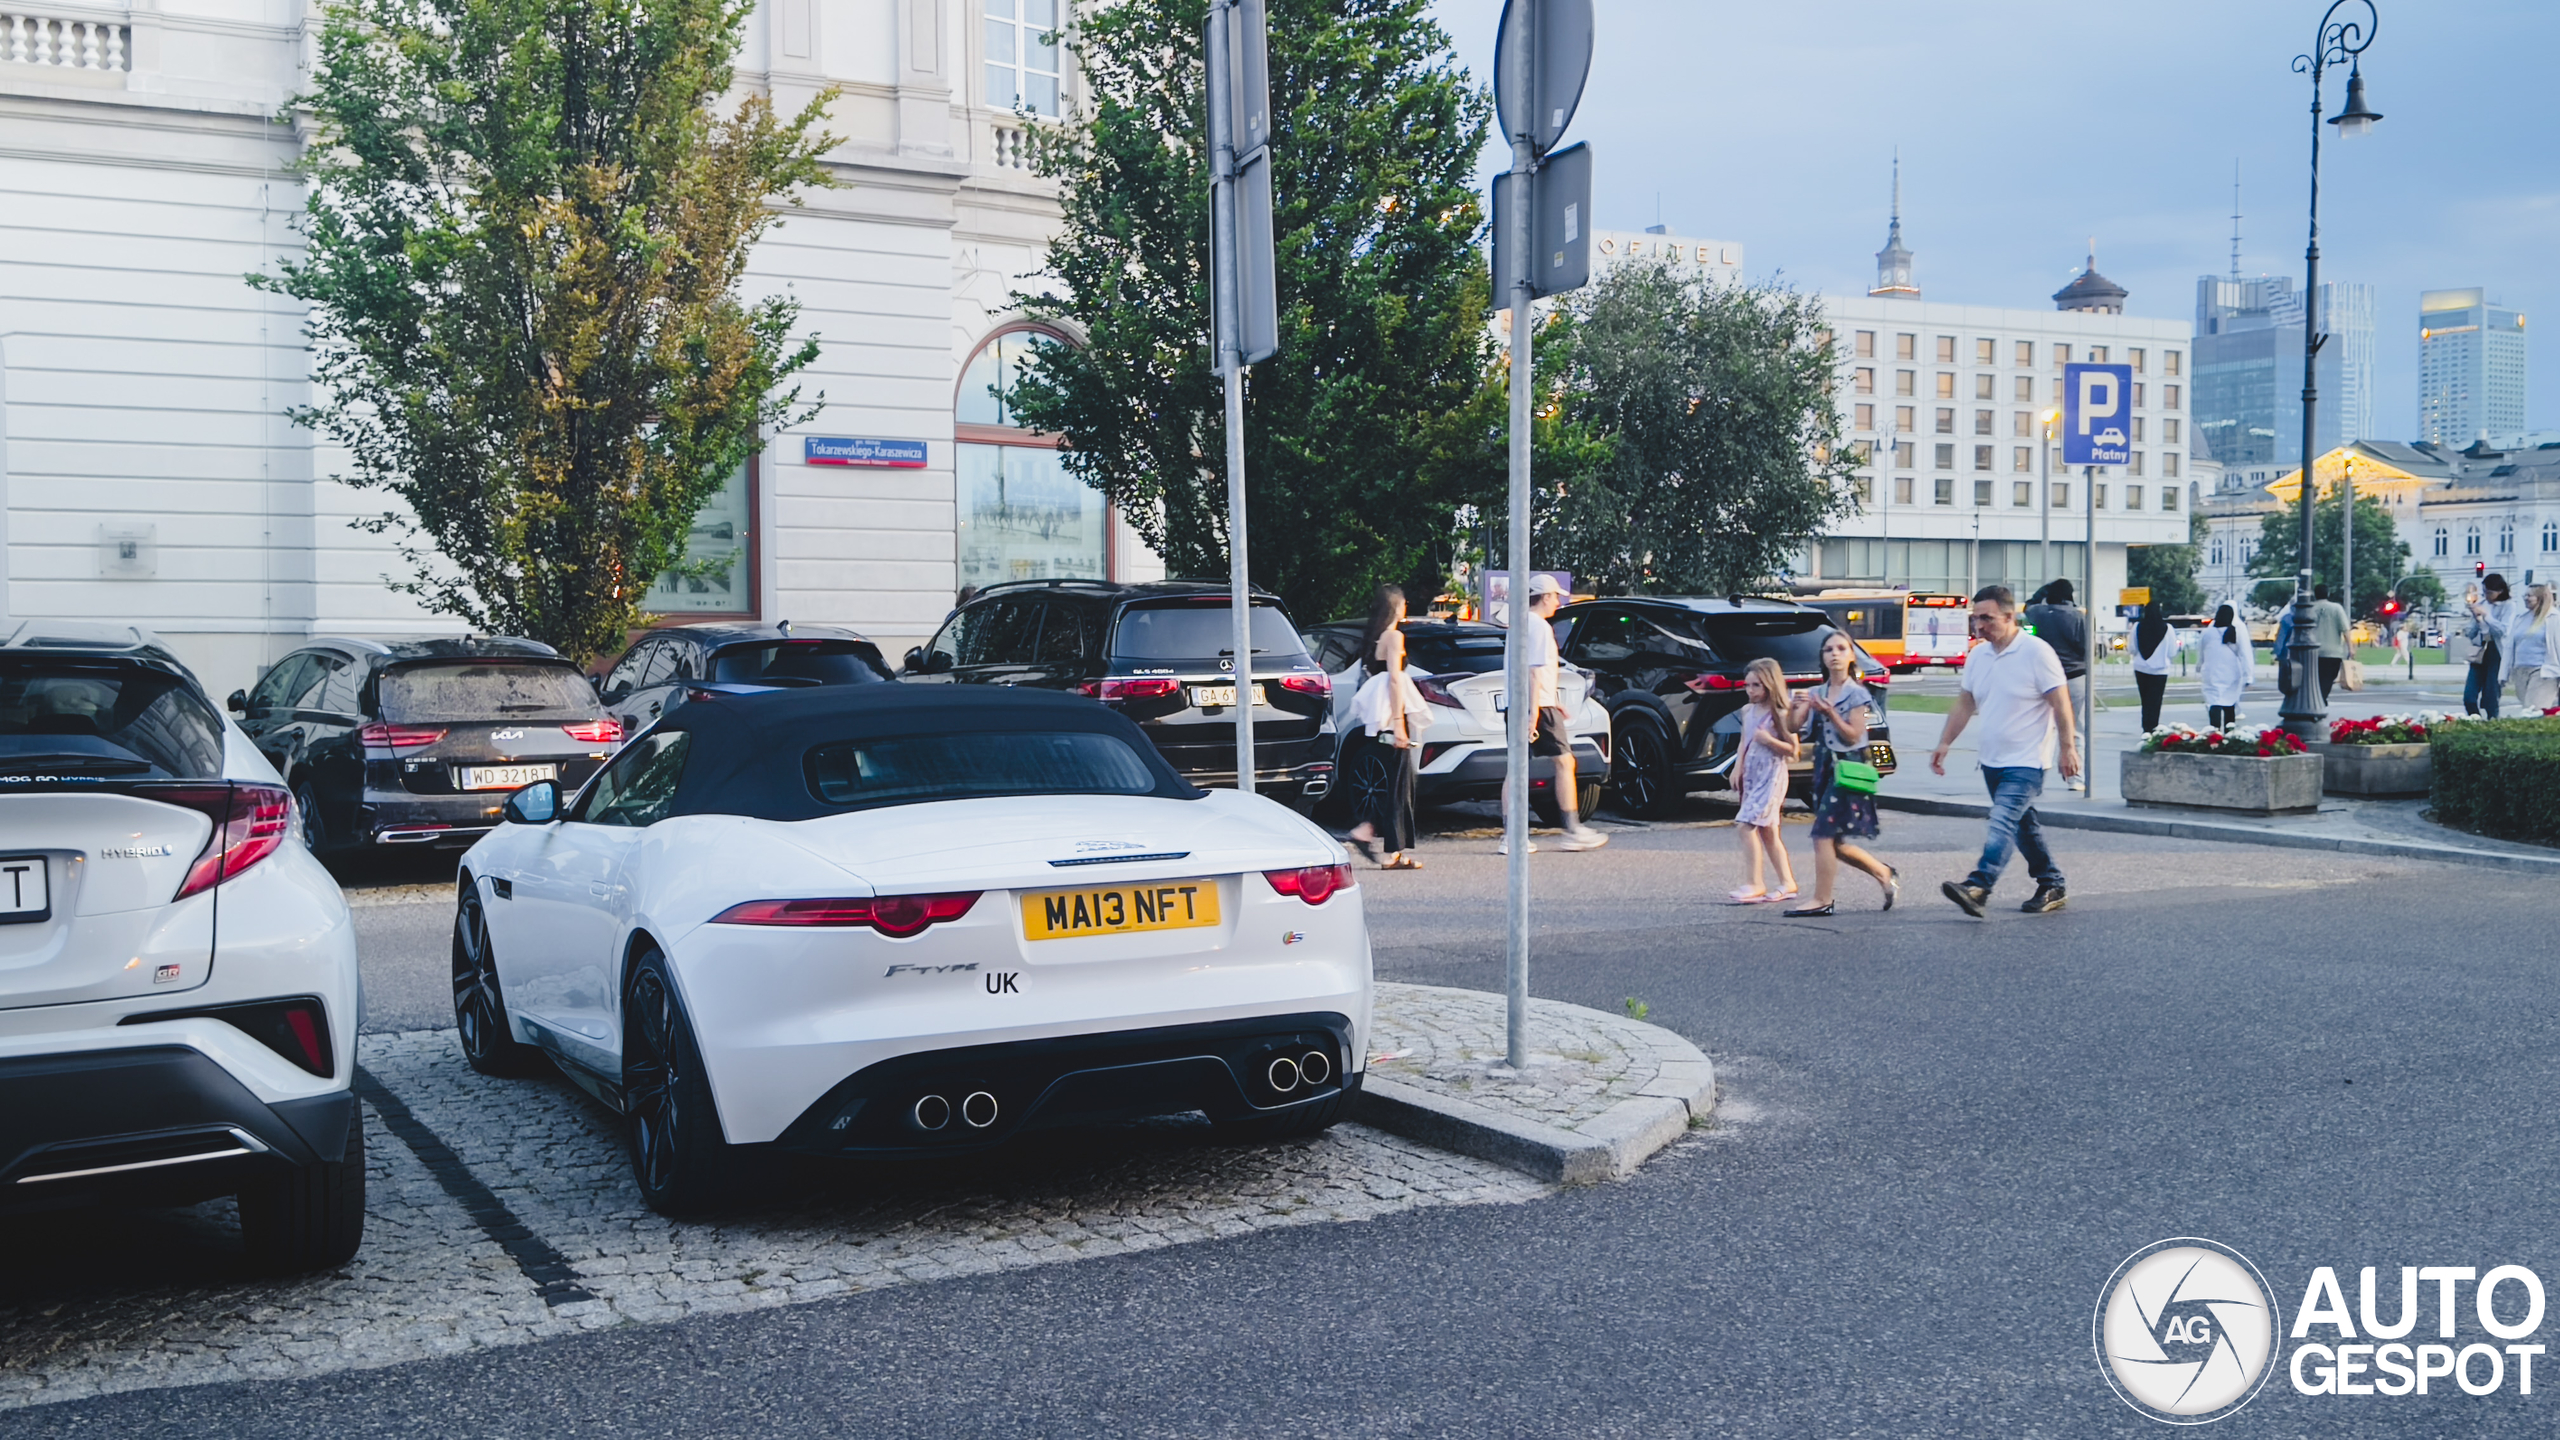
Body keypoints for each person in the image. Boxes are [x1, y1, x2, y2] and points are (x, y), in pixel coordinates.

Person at [1929, 585, 2080, 917]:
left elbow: (2061, 703)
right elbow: (1965, 702)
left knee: (2001, 821)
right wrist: (1944, 742)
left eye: (1987, 618)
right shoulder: (1978, 656)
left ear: (2010, 617)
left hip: (2026, 762)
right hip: (1992, 761)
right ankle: (2051, 882)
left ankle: (1979, 885)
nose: (1979, 626)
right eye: (1975, 618)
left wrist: (2068, 749)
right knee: (2022, 827)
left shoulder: (2036, 652)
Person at [1783, 630, 1896, 917]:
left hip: (1847, 767)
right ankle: (1883, 873)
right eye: (1828, 649)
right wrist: (1795, 709)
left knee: (1822, 835)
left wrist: (1830, 713)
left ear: (1851, 656)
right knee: (1834, 842)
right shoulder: (1817, 691)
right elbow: (1794, 728)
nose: (1834, 654)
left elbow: (1853, 735)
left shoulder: (1857, 693)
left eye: (1841, 648)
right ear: (1822, 657)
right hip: (1824, 767)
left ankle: (1822, 900)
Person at [1500, 573, 1606, 854]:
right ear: (1545, 597)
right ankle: (1572, 829)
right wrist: (1536, 711)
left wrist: (1550, 700)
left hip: (1522, 703)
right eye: (1555, 596)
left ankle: (1511, 835)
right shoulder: (1539, 627)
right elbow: (1534, 672)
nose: (1557, 602)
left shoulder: (1519, 625)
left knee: (1516, 768)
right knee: (1564, 762)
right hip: (1537, 706)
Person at [1345, 584, 1424, 870]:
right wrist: (1400, 724)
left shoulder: (1378, 636)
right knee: (1398, 785)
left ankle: (1385, 844)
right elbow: (1394, 679)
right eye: (1403, 603)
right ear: (1396, 607)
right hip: (1392, 717)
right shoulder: (1394, 636)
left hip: (1382, 718)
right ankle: (1381, 844)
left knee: (1396, 782)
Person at [1727, 656, 1799, 903]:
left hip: (1771, 775)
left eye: (1756, 685)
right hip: (1753, 773)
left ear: (1769, 684)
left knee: (1745, 825)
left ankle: (1754, 882)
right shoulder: (1748, 711)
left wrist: (1769, 740)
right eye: (1748, 685)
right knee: (1769, 832)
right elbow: (1744, 741)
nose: (1750, 690)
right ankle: (1788, 882)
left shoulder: (1779, 712)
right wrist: (1738, 768)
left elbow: (1793, 749)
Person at [2022, 580, 2089, 790]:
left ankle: (2036, 775)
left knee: (2042, 727)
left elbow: (2027, 606)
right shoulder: (2079, 617)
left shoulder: (2038, 613)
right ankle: (2075, 778)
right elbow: (2085, 648)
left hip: (2044, 677)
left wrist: (2041, 592)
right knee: (2075, 727)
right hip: (2074, 675)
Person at [2464, 575, 2515, 718]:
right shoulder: (2482, 603)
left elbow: (2503, 631)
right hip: (2480, 650)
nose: (2486, 596)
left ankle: (2492, 722)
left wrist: (2487, 617)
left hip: (2497, 651)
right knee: (2469, 696)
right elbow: (2470, 632)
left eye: (2490, 592)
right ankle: (2475, 720)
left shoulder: (2508, 606)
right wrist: (2475, 619)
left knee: (2490, 696)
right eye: (2484, 592)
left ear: (2500, 591)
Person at [2509, 582, 2560, 715]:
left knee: (2533, 711)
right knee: (2527, 710)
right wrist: (2505, 672)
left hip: (2543, 672)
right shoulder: (2521, 618)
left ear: (2541, 598)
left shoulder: (2554, 618)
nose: (2525, 598)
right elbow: (2510, 646)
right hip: (2521, 670)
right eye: (2524, 595)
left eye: (2529, 596)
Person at [2199, 603, 2250, 730]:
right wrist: (2248, 675)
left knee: (2214, 702)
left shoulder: (2208, 633)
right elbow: (2244, 654)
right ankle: (2229, 732)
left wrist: (2199, 666)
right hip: (2232, 672)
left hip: (2211, 671)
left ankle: (2214, 733)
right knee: (2229, 703)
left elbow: (2201, 651)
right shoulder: (2235, 632)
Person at [2131, 602, 2176, 733]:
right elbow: (2172, 651)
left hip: (2141, 668)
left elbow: (2132, 648)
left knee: (2145, 700)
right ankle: (2154, 726)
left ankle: (2146, 727)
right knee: (2156, 700)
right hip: (2160, 669)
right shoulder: (2168, 628)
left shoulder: (2137, 627)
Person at [2311, 583, 2352, 703]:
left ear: (2315, 594)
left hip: (2313, 651)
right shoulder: (2336, 608)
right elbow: (2345, 629)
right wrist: (2351, 648)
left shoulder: (2309, 608)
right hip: (2333, 651)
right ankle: (2321, 698)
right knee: (2328, 678)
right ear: (2328, 594)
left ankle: (2317, 698)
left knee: (2315, 678)